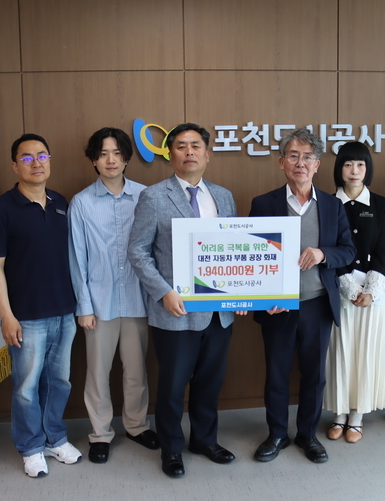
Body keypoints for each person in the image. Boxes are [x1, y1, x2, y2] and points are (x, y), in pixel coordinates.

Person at [128, 123, 239, 478]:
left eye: (196, 145)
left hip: (218, 313)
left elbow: (234, 250)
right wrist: (164, 291)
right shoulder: (154, 197)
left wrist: (241, 293)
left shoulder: (223, 196)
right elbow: (138, 251)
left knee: (210, 382)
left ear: (207, 154)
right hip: (175, 311)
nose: (189, 151)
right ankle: (172, 448)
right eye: (180, 146)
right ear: (170, 154)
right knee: (173, 387)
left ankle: (204, 440)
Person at [249, 128, 356, 464]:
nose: (300, 163)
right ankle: (277, 434)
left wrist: (323, 254)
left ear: (317, 164)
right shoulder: (263, 204)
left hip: (317, 304)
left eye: (308, 157)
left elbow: (348, 250)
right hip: (277, 306)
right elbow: (251, 256)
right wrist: (263, 299)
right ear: (281, 162)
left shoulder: (332, 205)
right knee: (276, 374)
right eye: (293, 156)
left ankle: (307, 434)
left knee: (314, 375)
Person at [0, 133, 82, 478]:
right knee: (26, 388)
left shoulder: (60, 202)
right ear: (15, 166)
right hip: (26, 316)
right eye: (26, 158)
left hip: (64, 311)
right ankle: (30, 447)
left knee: (60, 381)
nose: (36, 162)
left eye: (42, 155)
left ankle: (55, 438)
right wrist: (6, 316)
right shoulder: (0, 210)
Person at [68, 127, 158, 464]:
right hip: (98, 302)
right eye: (103, 153)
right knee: (97, 372)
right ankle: (100, 433)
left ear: (126, 158)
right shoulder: (81, 202)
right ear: (94, 159)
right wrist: (84, 306)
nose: (111, 160)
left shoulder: (146, 196)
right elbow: (77, 258)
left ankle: (136, 425)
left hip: (138, 299)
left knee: (136, 370)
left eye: (117, 153)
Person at [323, 141, 385, 444]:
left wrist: (371, 291)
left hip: (372, 292)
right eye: (348, 164)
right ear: (339, 168)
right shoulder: (327, 203)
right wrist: (348, 287)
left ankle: (357, 416)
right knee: (340, 352)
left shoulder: (380, 204)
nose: (354, 170)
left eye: (360, 164)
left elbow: (383, 250)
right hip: (339, 290)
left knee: (365, 353)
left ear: (368, 168)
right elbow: (327, 248)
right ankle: (338, 414)